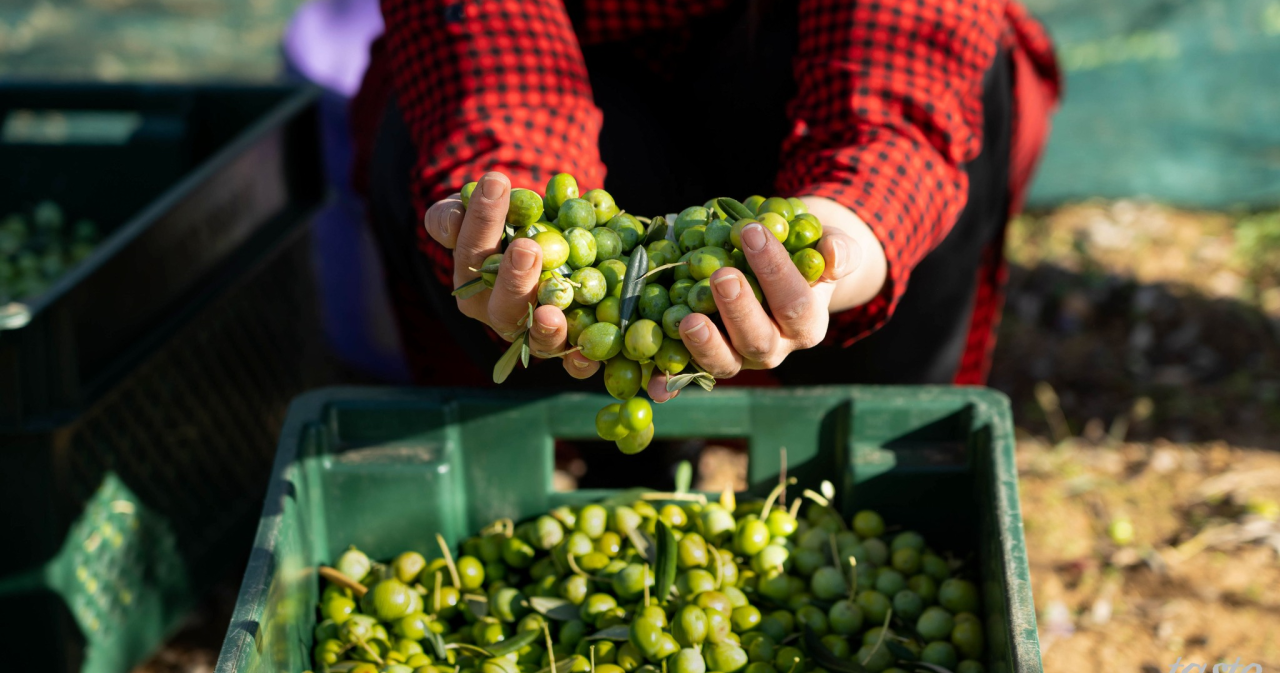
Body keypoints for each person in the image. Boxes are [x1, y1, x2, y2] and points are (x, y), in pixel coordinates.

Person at [350, 0, 1061, 398]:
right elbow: (488, 47)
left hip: (793, 60)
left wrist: (852, 226)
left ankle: (876, 442)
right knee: (435, 165)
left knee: (953, 124)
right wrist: (511, 176)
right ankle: (587, 465)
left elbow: (901, 57)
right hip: (586, 70)